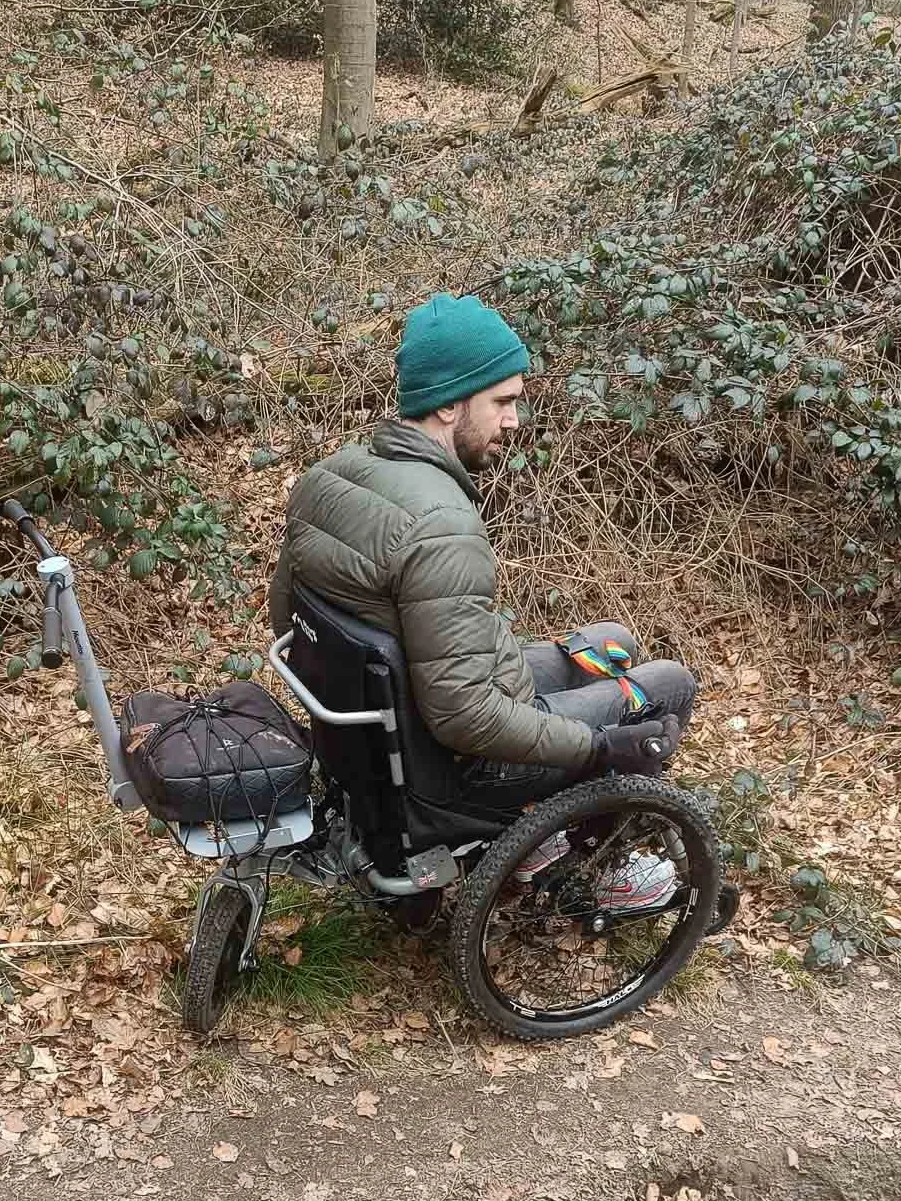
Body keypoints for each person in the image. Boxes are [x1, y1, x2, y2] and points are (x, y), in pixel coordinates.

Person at [267, 291, 697, 901]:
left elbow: (288, 618)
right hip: (453, 764)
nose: (514, 421)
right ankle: (594, 873)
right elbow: (465, 716)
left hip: (394, 732)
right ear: (448, 404)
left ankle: (547, 842)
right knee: (671, 685)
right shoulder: (441, 521)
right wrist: (596, 748)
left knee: (615, 643)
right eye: (502, 402)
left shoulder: (332, 476)